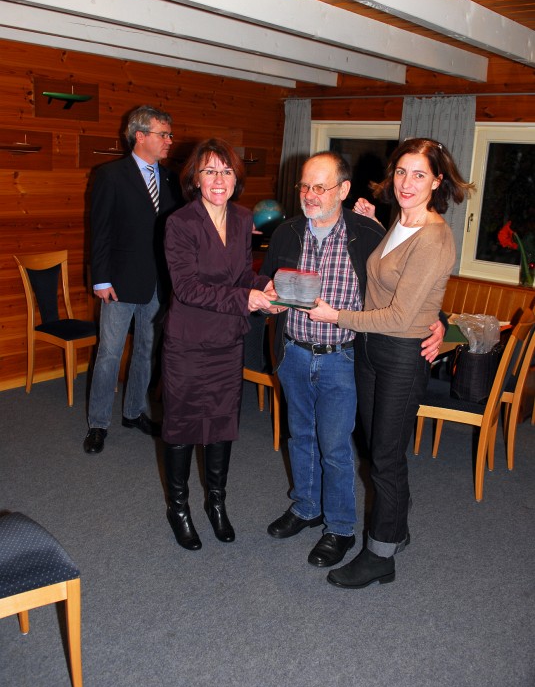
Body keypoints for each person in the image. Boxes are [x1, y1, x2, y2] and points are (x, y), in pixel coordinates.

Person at [261, 150, 445, 571]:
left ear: (343, 189)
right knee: (300, 437)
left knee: (336, 448)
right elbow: (266, 278)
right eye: (304, 186)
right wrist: (267, 294)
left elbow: (406, 286)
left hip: (343, 359)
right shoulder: (286, 232)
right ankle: (306, 507)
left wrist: (440, 320)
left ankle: (340, 528)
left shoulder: (368, 233)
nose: (309, 194)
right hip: (293, 353)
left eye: (320, 187)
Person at [302, 138, 473, 588]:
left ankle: (380, 555)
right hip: (371, 349)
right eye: (401, 172)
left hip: (399, 354)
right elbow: (392, 274)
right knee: (379, 449)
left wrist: (336, 316)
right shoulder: (400, 222)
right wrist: (378, 223)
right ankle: (396, 529)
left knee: (385, 458)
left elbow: (399, 316)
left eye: (419, 174)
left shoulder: (434, 235)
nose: (406, 183)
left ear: (437, 181)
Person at [161, 138, 276, 551]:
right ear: (195, 178)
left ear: (235, 178)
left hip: (227, 340)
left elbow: (242, 274)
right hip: (188, 343)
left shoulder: (243, 219)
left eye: (226, 171)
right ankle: (179, 509)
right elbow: (188, 288)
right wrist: (247, 299)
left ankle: (216, 503)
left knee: (222, 424)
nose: (218, 179)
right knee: (182, 426)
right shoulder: (181, 223)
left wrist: (268, 286)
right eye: (209, 171)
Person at [83, 105, 181, 454]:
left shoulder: (170, 179)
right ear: (140, 136)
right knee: (109, 353)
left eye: (169, 134)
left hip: (158, 282)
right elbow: (100, 230)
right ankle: (98, 423)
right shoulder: (111, 175)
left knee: (146, 351)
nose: (169, 140)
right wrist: (100, 279)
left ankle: (133, 411)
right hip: (119, 282)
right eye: (163, 134)